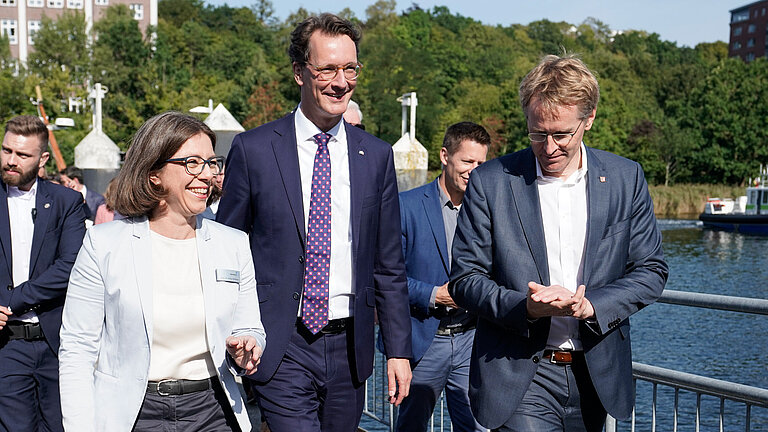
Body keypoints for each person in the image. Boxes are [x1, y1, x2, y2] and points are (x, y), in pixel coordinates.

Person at [448, 54, 669, 432]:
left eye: (561, 134)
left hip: (595, 374)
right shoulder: (492, 181)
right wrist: (526, 308)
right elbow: (465, 278)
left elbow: (651, 270)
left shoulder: (624, 178)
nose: (548, 147)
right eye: (537, 133)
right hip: (520, 374)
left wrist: (592, 306)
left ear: (589, 119)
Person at [217, 13, 412, 432]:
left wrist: (398, 350)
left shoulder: (376, 157)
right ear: (299, 73)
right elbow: (225, 249)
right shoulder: (253, 150)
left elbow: (388, 264)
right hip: (281, 344)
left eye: (350, 69)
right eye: (327, 69)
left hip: (351, 349)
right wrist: (234, 333)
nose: (340, 82)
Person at [59, 111, 266, 432]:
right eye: (192, 163)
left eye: (212, 163)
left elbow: (251, 326)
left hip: (213, 411)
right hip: (132, 412)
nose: (207, 174)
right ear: (154, 172)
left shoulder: (233, 244)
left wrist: (249, 345)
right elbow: (77, 349)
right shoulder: (104, 245)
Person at [394, 122, 489, 432]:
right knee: (411, 427)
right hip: (424, 340)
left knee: (476, 427)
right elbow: (386, 278)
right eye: (467, 161)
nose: (474, 171)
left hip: (473, 340)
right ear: (445, 156)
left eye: (480, 163)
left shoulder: (488, 210)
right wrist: (435, 295)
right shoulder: (406, 206)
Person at [0, 115, 87, 432]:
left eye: (22, 155)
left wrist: (11, 301)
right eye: (7, 150)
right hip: (7, 346)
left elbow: (71, 264)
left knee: (62, 426)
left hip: (57, 343)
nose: (11, 161)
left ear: (42, 158)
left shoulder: (66, 201)